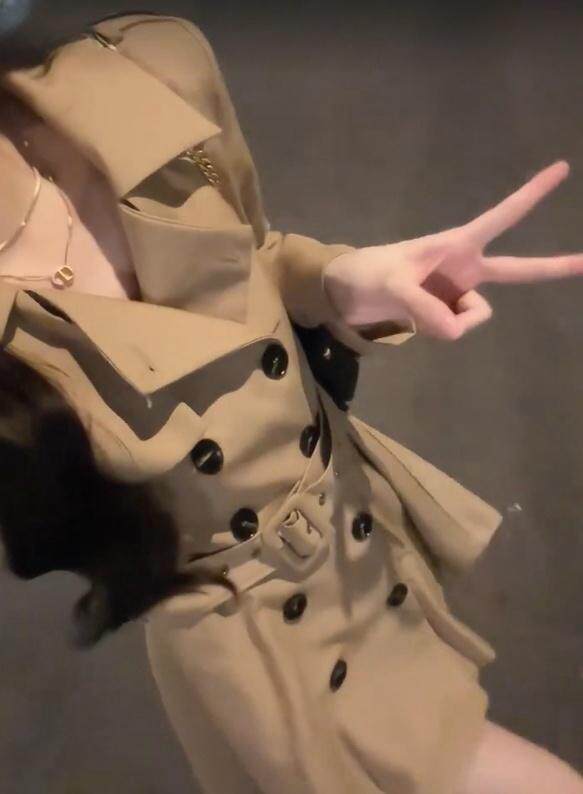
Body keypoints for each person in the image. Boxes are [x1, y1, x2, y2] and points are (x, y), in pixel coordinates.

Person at [0, 11, 581, 794]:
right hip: (250, 639)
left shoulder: (144, 63)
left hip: (355, 530)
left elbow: (253, 257)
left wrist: (343, 282)